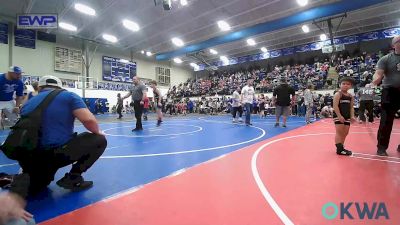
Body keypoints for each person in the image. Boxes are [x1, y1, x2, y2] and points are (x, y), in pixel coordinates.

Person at [3, 76, 107, 224]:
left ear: (39, 88)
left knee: (38, 187)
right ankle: (73, 178)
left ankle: (17, 179)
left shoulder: (29, 102)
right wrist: (98, 132)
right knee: (98, 140)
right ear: (59, 87)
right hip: (56, 153)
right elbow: (89, 120)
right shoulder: (68, 95)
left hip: (30, 156)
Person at [373, 35, 400, 156]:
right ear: (393, 45)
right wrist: (375, 81)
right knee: (386, 121)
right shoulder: (385, 59)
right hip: (390, 92)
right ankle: (381, 147)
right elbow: (378, 74)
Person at [333, 77, 356, 156]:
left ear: (350, 86)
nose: (345, 85)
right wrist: (339, 116)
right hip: (338, 116)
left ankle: (341, 147)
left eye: (348, 84)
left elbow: (351, 107)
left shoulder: (350, 96)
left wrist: (352, 116)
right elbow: (335, 106)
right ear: (340, 85)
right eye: (343, 84)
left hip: (347, 116)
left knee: (345, 133)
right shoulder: (338, 94)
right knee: (339, 132)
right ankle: (339, 149)